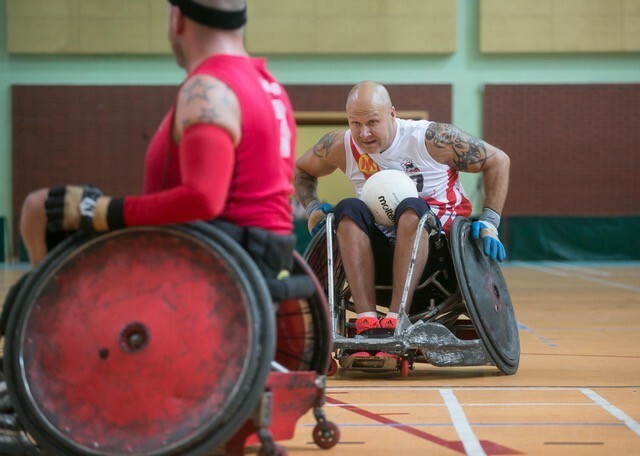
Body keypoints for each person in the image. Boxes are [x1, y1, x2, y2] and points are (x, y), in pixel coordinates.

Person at [2, 0, 296, 452]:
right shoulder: (267, 84)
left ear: (177, 18)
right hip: (242, 254)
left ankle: (46, 374)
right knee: (48, 214)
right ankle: (42, 371)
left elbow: (204, 197)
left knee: (41, 214)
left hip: (206, 267)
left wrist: (103, 213)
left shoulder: (210, 88)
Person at [294, 81, 509, 354]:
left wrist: (490, 221)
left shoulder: (430, 139)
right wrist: (312, 208)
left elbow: (498, 160)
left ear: (392, 114)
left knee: (410, 207)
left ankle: (397, 320)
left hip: (439, 254)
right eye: (355, 123)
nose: (364, 133)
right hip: (377, 253)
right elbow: (301, 169)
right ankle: (367, 320)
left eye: (373, 121)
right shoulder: (341, 145)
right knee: (347, 209)